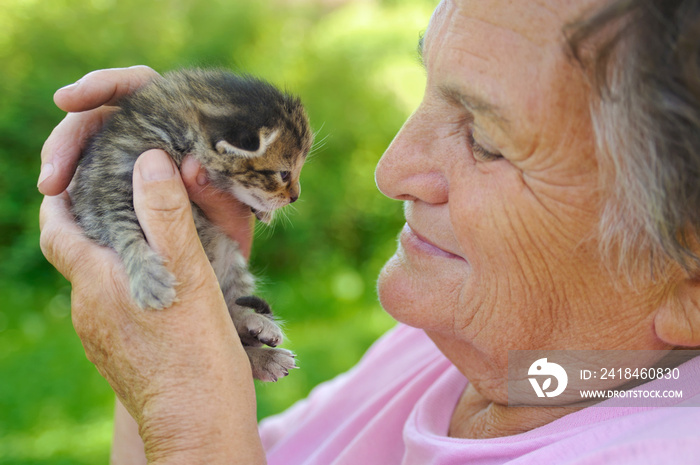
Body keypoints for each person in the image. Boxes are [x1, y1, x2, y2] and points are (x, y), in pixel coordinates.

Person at [38, 0, 700, 463]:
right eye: (431, 89)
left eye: (487, 140)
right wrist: (181, 292)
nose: (392, 170)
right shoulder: (485, 358)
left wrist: (190, 424)